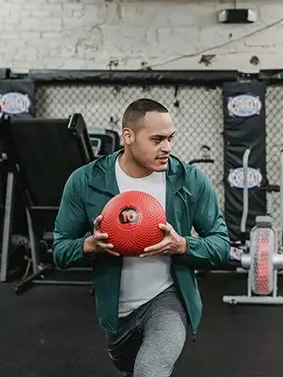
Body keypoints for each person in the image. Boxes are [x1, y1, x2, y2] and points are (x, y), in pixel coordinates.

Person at [52, 98, 231, 377]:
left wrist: (183, 245)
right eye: (157, 139)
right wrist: (88, 245)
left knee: (150, 370)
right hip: (117, 314)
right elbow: (60, 250)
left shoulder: (190, 180)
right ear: (128, 136)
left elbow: (221, 244)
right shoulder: (85, 181)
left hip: (167, 299)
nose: (167, 148)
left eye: (171, 138)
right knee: (130, 367)